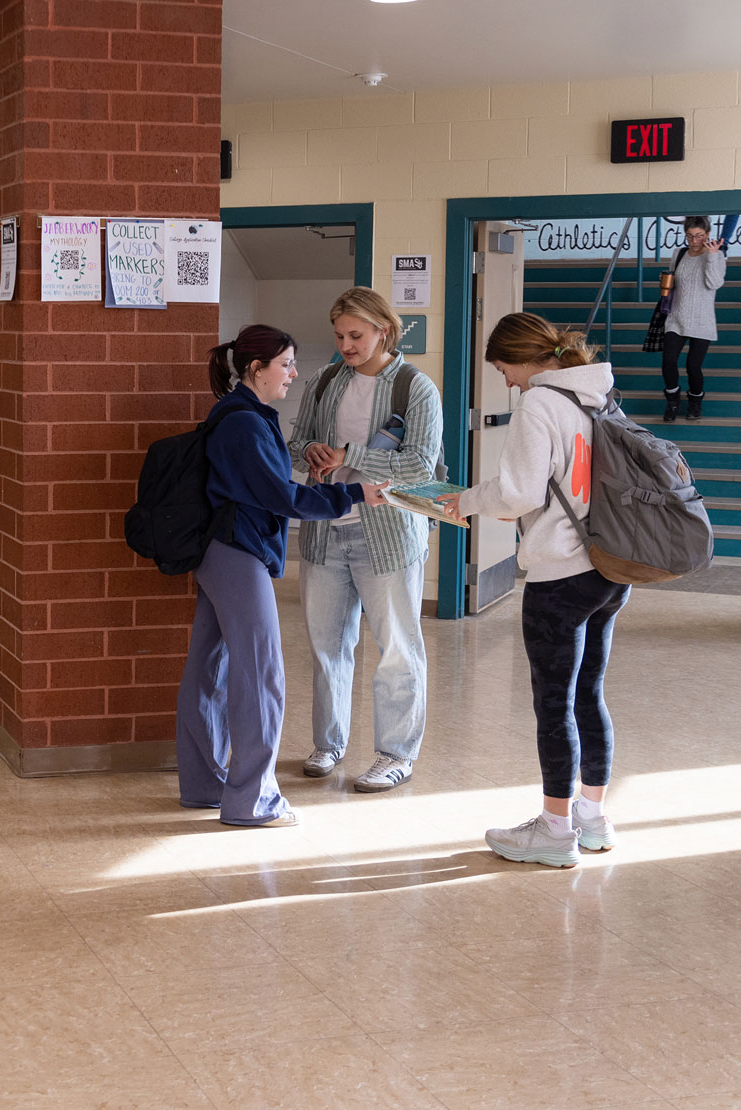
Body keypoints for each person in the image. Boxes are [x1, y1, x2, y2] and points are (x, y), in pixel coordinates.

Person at [442, 313, 624, 869]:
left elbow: (519, 493)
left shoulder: (539, 404)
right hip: (610, 564)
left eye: (504, 369)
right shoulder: (599, 395)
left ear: (523, 358)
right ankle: (592, 818)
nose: (507, 382)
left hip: (559, 574)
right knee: (589, 693)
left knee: (554, 704)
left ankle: (553, 829)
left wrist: (465, 501)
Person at [178, 324, 367, 828]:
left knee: (209, 669)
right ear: (256, 369)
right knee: (262, 676)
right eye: (286, 364)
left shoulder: (243, 416)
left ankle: (204, 785)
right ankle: (252, 800)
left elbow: (268, 487)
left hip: (221, 551)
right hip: (238, 554)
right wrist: (354, 494)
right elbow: (281, 498)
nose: (294, 373)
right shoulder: (244, 423)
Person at [287, 287, 441, 793]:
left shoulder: (416, 388)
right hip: (325, 533)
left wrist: (348, 453)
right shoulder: (326, 379)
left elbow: (418, 466)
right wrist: (311, 450)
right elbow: (295, 443)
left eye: (356, 335)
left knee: (397, 648)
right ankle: (328, 744)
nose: (346, 345)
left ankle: (396, 755)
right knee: (327, 645)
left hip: (389, 536)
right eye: (339, 336)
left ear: (385, 332)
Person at [660, 215, 726, 421]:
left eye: (699, 236)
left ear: (707, 235)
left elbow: (714, 283)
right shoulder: (679, 254)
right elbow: (675, 281)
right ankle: (672, 401)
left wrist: (713, 256)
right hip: (676, 316)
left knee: (693, 366)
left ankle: (695, 402)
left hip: (702, 319)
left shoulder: (716, 256)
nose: (694, 241)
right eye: (690, 236)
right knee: (668, 360)